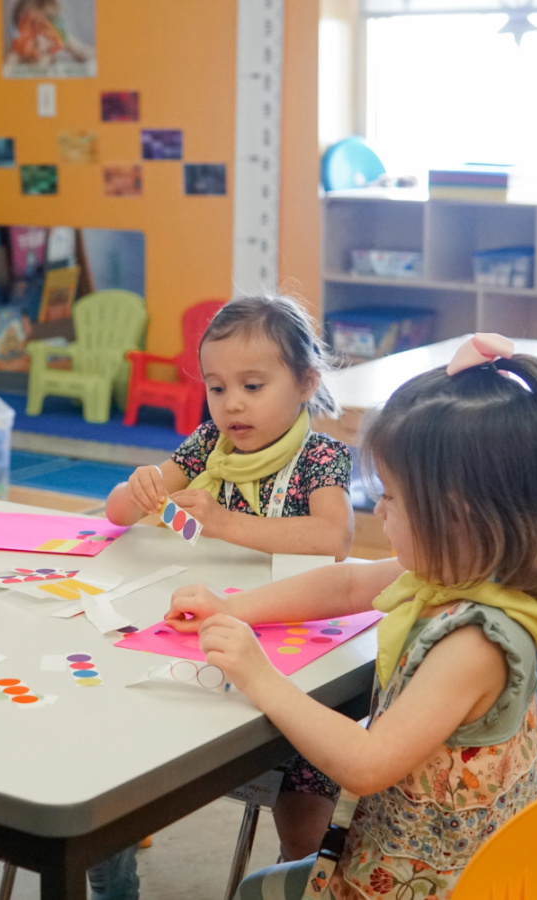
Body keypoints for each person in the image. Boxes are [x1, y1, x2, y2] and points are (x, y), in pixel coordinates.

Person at [169, 335, 537, 899]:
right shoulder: (454, 568)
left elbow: (366, 765)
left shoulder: (477, 643)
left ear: (457, 514)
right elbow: (346, 583)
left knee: (255, 892)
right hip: (405, 851)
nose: (381, 512)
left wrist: (259, 675)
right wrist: (232, 609)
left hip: (435, 884)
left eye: (391, 498)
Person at [103, 294, 355, 887]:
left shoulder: (320, 455)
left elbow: (332, 538)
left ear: (305, 383)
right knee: (129, 721)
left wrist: (220, 521)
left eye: (252, 385)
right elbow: (119, 512)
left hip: (294, 651)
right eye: (217, 388)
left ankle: (310, 881)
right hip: (205, 630)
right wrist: (137, 488)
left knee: (304, 825)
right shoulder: (206, 447)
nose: (231, 404)